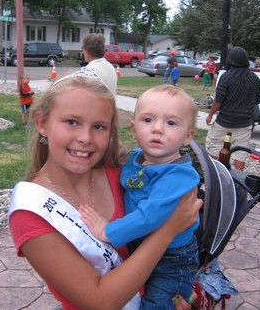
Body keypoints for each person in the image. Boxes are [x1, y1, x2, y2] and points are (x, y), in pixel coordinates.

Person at [8, 69, 202, 310]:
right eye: (71, 122)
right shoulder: (31, 213)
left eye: (99, 126)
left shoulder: (118, 170)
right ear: (42, 123)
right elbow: (101, 302)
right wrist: (169, 230)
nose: (86, 137)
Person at [80, 84, 200, 309]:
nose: (158, 129)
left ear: (188, 136)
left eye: (171, 123)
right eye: (148, 120)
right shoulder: (136, 158)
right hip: (142, 246)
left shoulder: (179, 175)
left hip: (172, 259)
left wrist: (107, 231)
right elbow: (124, 157)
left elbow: (149, 216)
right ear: (134, 129)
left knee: (157, 304)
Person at [205, 46, 260, 171]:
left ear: (231, 60)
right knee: (240, 154)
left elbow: (218, 100)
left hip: (224, 121)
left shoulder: (227, 76)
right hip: (245, 123)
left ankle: (219, 176)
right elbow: (258, 99)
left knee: (215, 147)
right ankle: (238, 184)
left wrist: (210, 114)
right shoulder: (254, 78)